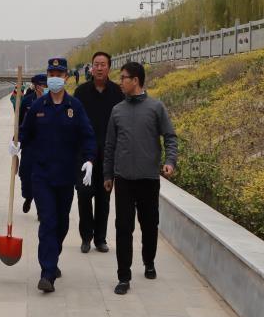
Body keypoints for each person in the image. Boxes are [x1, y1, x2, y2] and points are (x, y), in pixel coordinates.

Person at [11, 57, 96, 293]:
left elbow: (88, 135)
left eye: (59, 74)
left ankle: (53, 256)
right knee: (48, 221)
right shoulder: (38, 107)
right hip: (42, 175)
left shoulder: (74, 107)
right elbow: (25, 133)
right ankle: (47, 272)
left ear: (66, 77)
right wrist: (15, 144)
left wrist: (89, 159)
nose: (55, 78)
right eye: (51, 74)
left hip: (66, 175)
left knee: (62, 223)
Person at [103, 60, 179, 296]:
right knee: (123, 227)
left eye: (123, 77)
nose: (120, 82)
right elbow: (110, 146)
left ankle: (149, 261)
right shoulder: (117, 111)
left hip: (148, 179)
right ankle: (123, 276)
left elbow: (170, 137)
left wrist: (170, 161)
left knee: (149, 225)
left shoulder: (156, 108)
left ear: (135, 80)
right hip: (123, 179)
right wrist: (108, 174)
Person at [72, 51, 124, 254]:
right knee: (84, 196)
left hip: (108, 156)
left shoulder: (117, 93)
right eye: (96, 64)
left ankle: (100, 239)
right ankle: (86, 237)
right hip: (84, 156)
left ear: (109, 68)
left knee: (104, 198)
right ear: (91, 68)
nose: (99, 68)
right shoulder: (81, 92)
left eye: (103, 64)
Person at [17, 73, 46, 213]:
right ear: (35, 86)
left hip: (46, 146)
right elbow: (20, 122)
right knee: (25, 173)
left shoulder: (53, 102)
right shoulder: (27, 101)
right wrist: (16, 140)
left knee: (43, 177)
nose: (44, 88)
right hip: (29, 144)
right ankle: (28, 197)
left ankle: (41, 209)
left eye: (46, 85)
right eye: (42, 85)